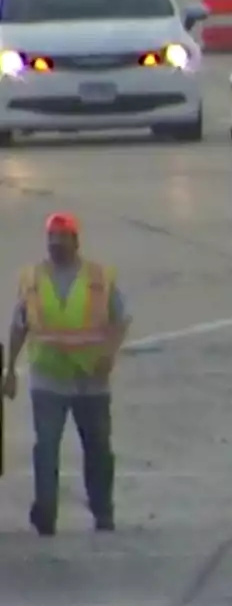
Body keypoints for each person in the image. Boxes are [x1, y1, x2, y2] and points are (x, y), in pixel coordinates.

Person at [2, 212, 131, 536]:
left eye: (62, 239)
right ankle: (46, 511)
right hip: (49, 380)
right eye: (51, 240)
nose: (55, 246)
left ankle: (103, 511)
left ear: (76, 241)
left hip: (91, 381)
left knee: (98, 447)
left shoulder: (99, 278)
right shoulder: (32, 279)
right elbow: (19, 327)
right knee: (45, 447)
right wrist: (10, 370)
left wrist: (109, 354)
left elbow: (120, 319)